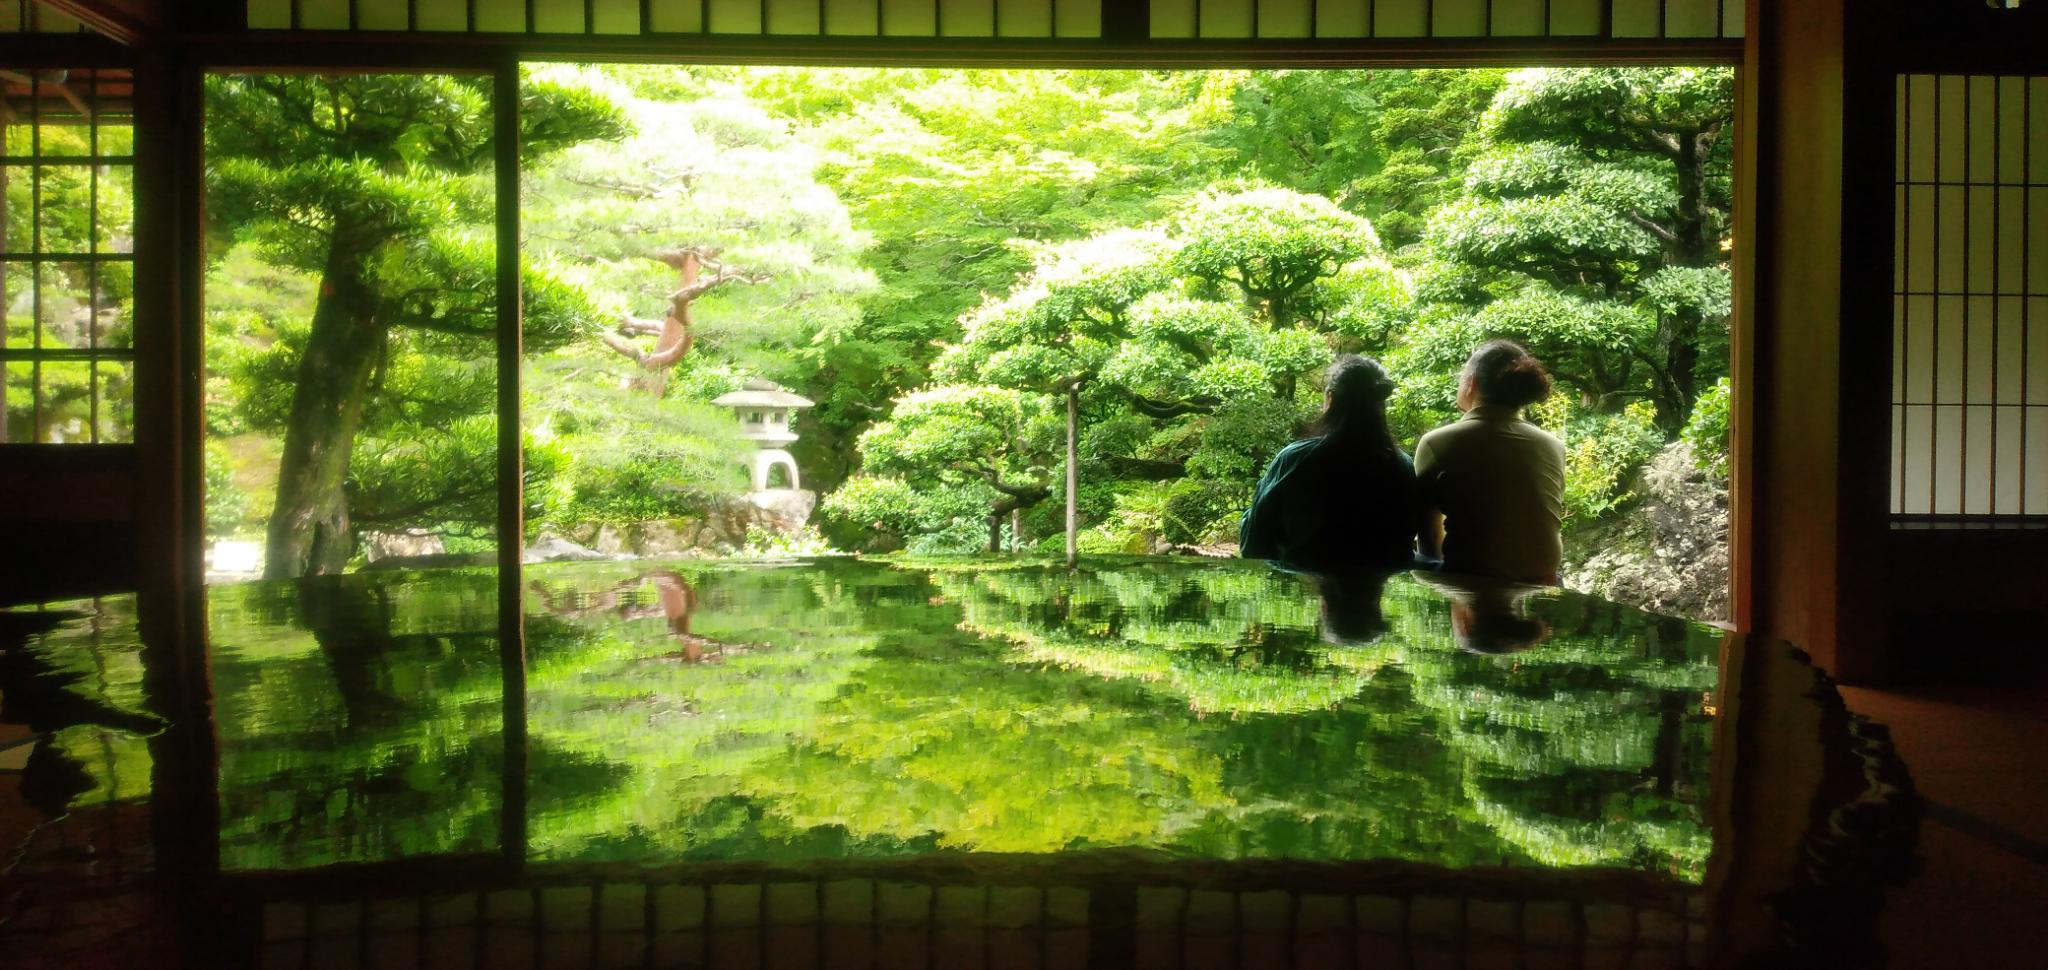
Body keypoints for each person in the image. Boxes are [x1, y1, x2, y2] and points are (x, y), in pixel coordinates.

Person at [1239, 355, 1420, 569]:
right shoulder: (1401, 465)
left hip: (1304, 589)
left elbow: (1254, 545)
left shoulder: (1295, 459)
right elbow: (1403, 545)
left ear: (1331, 398)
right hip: (1375, 589)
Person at [1415, 340, 1567, 585]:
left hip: (1474, 578)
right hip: (1546, 579)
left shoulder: (1438, 442)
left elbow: (1430, 537)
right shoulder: (1552, 445)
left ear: (1471, 383)